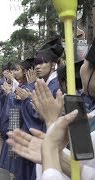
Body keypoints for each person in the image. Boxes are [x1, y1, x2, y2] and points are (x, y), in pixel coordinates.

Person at [7, 37, 95, 179]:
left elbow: (47, 115)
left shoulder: (55, 86)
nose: (37, 67)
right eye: (36, 63)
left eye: (43, 62)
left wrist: (28, 99)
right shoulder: (47, 83)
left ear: (53, 64)